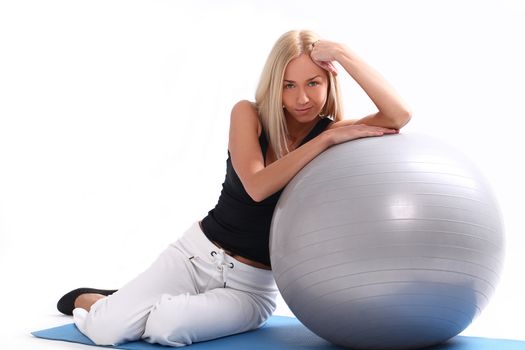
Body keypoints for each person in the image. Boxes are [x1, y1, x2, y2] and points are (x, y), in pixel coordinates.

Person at [56, 29, 411, 347]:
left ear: (329, 82)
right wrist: (326, 141)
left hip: (251, 287)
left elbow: (398, 115)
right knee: (106, 332)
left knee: (168, 327)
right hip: (195, 256)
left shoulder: (332, 131)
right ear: (275, 86)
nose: (302, 98)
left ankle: (127, 305)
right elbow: (257, 186)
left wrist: (343, 52)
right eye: (289, 85)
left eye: (313, 83)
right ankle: (103, 304)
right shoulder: (249, 114)